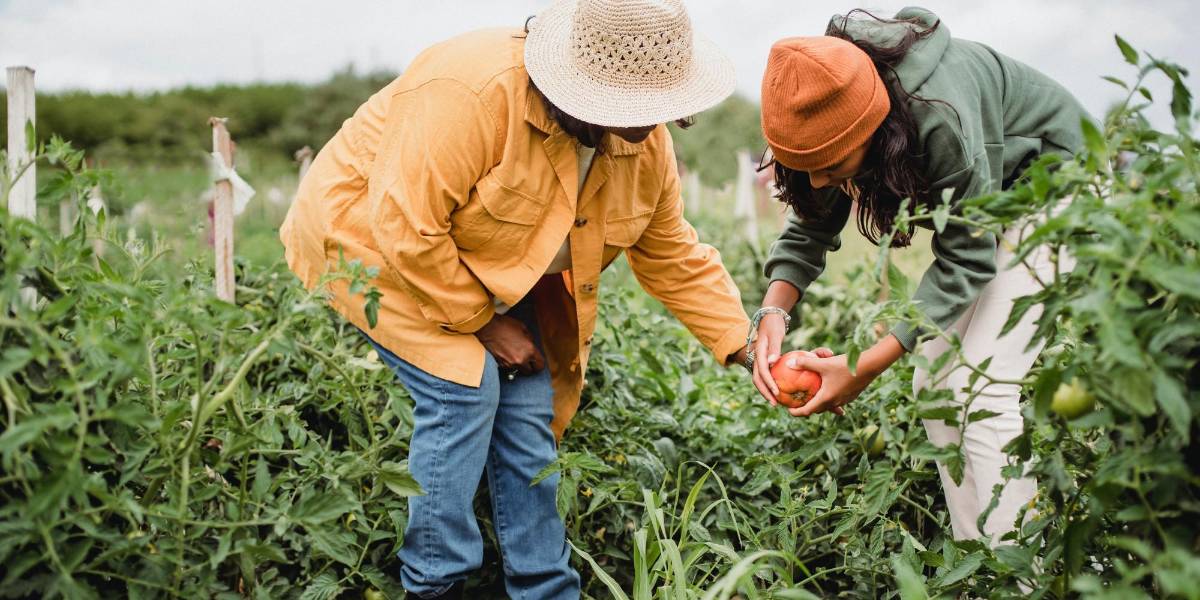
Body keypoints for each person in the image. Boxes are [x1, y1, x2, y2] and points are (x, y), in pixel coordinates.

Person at [279, 0, 751, 597]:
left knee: (530, 400)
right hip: (369, 244)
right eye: (631, 108)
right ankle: (438, 582)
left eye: (659, 108)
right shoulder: (471, 92)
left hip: (484, 263)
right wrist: (485, 324)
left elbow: (671, 254)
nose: (646, 126)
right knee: (465, 385)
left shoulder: (644, 144)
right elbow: (407, 228)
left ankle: (544, 584)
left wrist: (744, 344)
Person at [749, 7, 1088, 544]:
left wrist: (859, 367)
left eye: (833, 165)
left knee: (981, 385)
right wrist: (773, 311)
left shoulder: (938, 116)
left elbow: (967, 258)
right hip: (998, 206)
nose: (818, 179)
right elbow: (810, 225)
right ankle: (975, 558)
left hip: (1061, 190)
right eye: (805, 165)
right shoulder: (824, 99)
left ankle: (1020, 577)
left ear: (875, 131)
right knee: (933, 382)